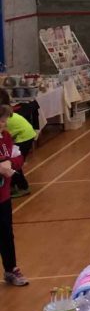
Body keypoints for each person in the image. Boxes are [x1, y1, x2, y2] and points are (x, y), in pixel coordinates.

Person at [0, 106, 27, 286]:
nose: (5, 124)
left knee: (6, 234)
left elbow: (18, 158)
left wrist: (10, 162)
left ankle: (11, 269)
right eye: (1, 120)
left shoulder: (6, 137)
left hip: (3, 196)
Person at [3, 101, 36, 197]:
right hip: (25, 134)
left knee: (13, 163)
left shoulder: (3, 117)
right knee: (11, 161)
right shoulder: (4, 111)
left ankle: (23, 187)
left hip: (24, 137)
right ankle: (12, 185)